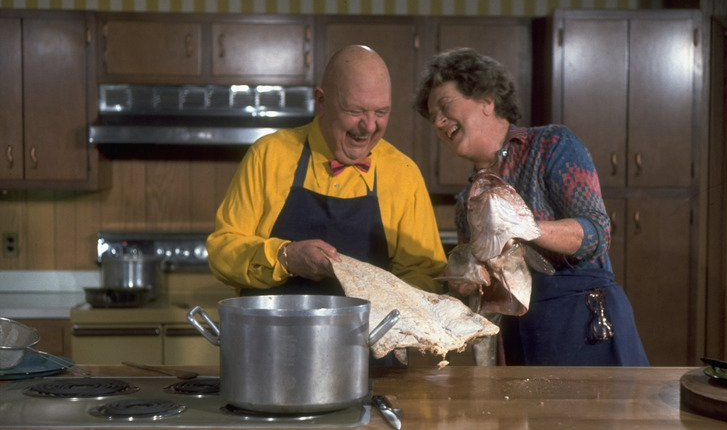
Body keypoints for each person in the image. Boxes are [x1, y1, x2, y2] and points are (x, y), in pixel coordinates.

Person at [412, 48, 649, 366]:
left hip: (586, 327)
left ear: (486, 99)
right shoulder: (465, 203)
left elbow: (596, 233)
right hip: (523, 338)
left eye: (444, 107)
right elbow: (493, 293)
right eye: (432, 118)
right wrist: (470, 282)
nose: (439, 122)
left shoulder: (552, 145)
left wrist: (526, 226)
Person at [207, 45, 447, 301]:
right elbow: (222, 252)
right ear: (321, 102)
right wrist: (285, 257)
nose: (368, 126)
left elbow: (425, 275)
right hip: (272, 337)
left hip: (367, 339)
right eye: (355, 111)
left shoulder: (404, 174)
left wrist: (394, 299)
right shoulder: (268, 155)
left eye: (380, 112)